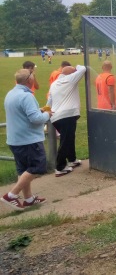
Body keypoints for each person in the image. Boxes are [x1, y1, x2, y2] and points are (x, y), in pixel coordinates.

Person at [1, 69, 52, 210]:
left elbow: (23, 113)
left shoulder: (11, 94)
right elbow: (35, 119)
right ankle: (11, 195)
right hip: (28, 140)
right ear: (29, 80)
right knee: (37, 167)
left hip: (15, 139)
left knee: (24, 169)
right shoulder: (26, 96)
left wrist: (39, 110)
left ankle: (28, 198)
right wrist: (47, 114)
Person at [47, 65, 86, 176]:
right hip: (67, 115)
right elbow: (82, 69)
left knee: (69, 137)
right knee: (66, 140)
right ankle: (60, 167)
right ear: (71, 73)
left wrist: (46, 112)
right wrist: (76, 67)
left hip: (55, 116)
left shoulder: (54, 84)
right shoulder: (70, 79)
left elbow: (49, 100)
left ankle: (72, 159)